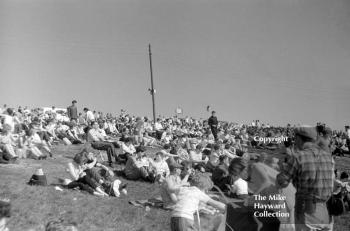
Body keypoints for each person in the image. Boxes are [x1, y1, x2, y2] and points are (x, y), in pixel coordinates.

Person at [276, 126, 334, 231]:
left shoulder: (298, 156)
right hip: (325, 213)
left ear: (298, 138)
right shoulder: (327, 156)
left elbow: (282, 182)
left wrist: (281, 169)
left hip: (306, 213)